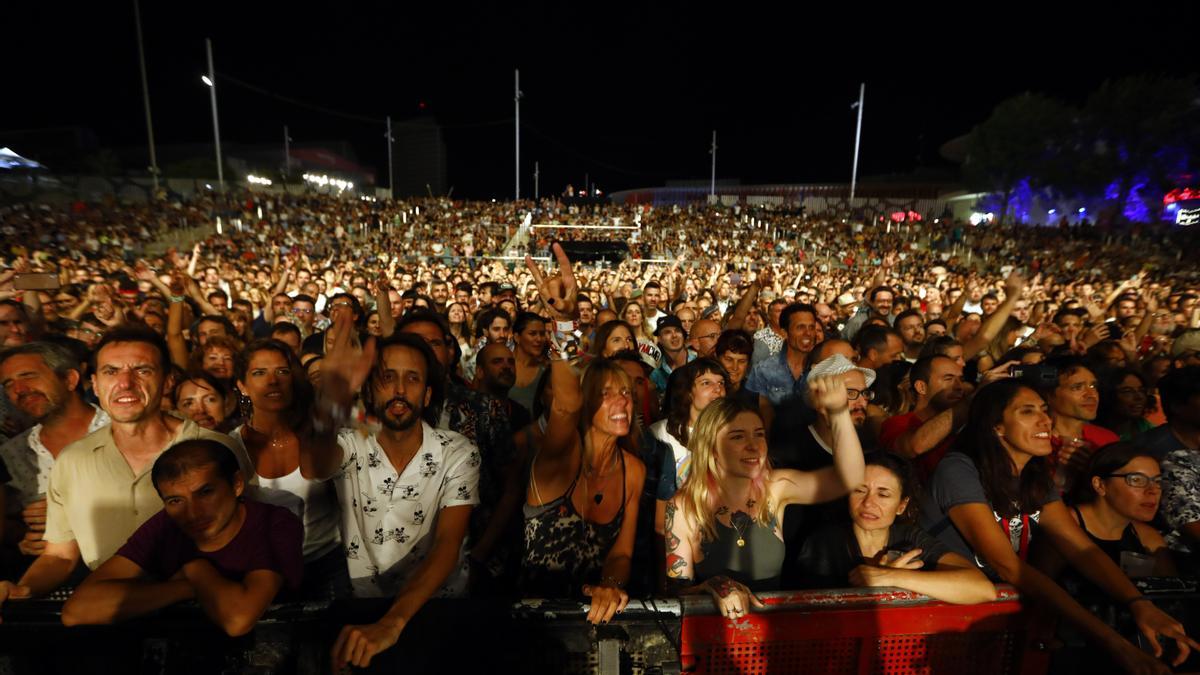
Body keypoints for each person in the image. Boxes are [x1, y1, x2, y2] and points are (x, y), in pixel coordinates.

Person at [919, 379, 1197, 673]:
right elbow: (1007, 566)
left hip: (997, 621)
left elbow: (1080, 548)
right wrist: (1114, 643)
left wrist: (1139, 603)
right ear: (995, 426)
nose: (1045, 419)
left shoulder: (1035, 478)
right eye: (1027, 411)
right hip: (943, 620)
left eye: (1043, 409)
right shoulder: (959, 469)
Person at [0, 326, 251, 617]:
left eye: (142, 370)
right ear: (94, 384)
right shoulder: (73, 461)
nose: (125, 383)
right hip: (109, 621)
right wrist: (22, 591)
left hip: (203, 617)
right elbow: (59, 556)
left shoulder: (217, 449)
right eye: (111, 371)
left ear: (168, 380)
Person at [304, 321, 479, 670]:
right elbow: (314, 464)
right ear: (370, 391)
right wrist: (330, 404)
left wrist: (393, 623)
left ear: (428, 395)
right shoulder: (350, 442)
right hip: (363, 612)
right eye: (387, 378)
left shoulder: (456, 451)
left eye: (412, 378)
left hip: (438, 610)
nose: (399, 389)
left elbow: (448, 545)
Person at [663, 376, 866, 616]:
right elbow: (675, 595)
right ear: (711, 447)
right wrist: (713, 585)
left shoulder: (775, 488)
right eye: (737, 436)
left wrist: (839, 412)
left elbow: (849, 479)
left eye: (759, 434)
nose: (754, 446)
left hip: (773, 633)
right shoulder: (684, 506)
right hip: (717, 639)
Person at [520, 247, 646, 625]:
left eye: (624, 391)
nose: (621, 401)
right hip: (534, 626)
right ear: (588, 402)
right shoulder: (560, 458)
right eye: (606, 394)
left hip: (596, 625)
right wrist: (562, 323)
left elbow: (622, 554)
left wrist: (608, 585)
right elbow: (564, 406)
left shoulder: (633, 470)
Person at [60, 439, 303, 634]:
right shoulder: (167, 525)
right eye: (175, 500)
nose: (193, 512)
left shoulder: (274, 523)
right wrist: (187, 588)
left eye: (205, 492)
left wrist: (197, 569)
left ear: (237, 484)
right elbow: (77, 611)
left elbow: (238, 620)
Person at [797, 452, 996, 604]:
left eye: (883, 495)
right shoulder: (823, 542)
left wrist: (891, 577)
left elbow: (983, 589)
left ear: (902, 505)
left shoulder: (910, 538)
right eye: (859, 490)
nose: (868, 503)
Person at [232, 338, 345, 598]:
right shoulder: (231, 447)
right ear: (242, 386)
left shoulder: (320, 436)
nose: (273, 381)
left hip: (327, 565)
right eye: (259, 373)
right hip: (261, 571)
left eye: (282, 371)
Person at [0, 343, 110, 561]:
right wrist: (22, 537)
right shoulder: (11, 453)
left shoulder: (121, 432)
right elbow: (8, 520)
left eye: (28, 376)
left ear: (70, 379)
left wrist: (68, 512)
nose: (19, 389)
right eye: (8, 384)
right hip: (52, 576)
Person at [1096, 368, 1155, 441]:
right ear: (1108, 395)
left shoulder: (1148, 430)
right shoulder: (1094, 436)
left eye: (1141, 390)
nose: (1139, 397)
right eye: (1127, 392)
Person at [650, 315, 695, 392]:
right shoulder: (656, 375)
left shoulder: (698, 360)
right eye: (667, 332)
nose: (674, 335)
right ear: (659, 339)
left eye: (677, 331)